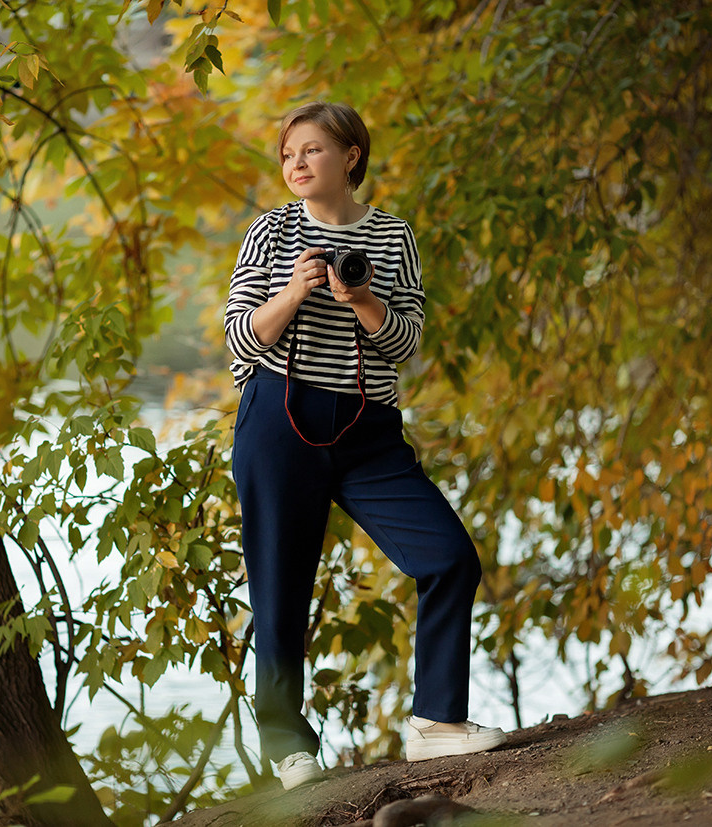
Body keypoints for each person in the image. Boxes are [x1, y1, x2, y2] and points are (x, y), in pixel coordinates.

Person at [224, 102, 506, 791]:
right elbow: (237, 338)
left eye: (312, 150)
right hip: (277, 419)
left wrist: (360, 298)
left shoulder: (392, 235)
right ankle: (288, 745)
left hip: (368, 427)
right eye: (289, 152)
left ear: (351, 156)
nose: (296, 163)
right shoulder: (269, 231)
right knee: (279, 588)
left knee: (448, 557)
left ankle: (437, 724)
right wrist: (294, 290)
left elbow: (404, 343)